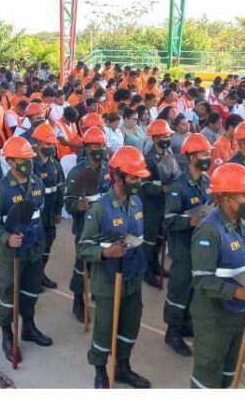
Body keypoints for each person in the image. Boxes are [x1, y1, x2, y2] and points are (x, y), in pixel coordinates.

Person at [78, 146, 152, 389]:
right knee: (105, 327)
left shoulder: (137, 202)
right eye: (133, 178)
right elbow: (83, 247)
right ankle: (100, 370)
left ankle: (123, 366)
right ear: (118, 177)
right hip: (109, 281)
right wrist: (105, 252)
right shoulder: (100, 208)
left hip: (132, 276)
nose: (138, 182)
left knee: (131, 323)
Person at [189, 163, 245, 389]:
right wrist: (239, 292)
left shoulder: (243, 223)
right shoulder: (209, 231)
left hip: (238, 312)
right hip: (214, 317)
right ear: (225, 197)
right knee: (208, 374)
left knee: (229, 373)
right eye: (244, 194)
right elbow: (201, 280)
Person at [0, 136, 53, 363]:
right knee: (8, 295)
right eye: (23, 159)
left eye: (29, 158)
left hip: (34, 248)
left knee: (31, 291)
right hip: (12, 253)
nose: (28, 163)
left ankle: (29, 327)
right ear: (11, 161)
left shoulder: (37, 183)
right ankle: (7, 333)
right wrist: (6, 237)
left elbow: (38, 214)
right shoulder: (0, 190)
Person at [162, 134, 213, 357]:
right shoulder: (178, 187)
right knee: (179, 291)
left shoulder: (207, 181)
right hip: (183, 249)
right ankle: (172, 331)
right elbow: (169, 220)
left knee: (193, 289)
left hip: (200, 248)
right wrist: (190, 221)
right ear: (192, 157)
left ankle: (185, 322)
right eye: (204, 154)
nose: (208, 158)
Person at [64, 126, 111, 321]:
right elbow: (68, 202)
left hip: (105, 224)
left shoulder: (109, 169)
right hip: (85, 226)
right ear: (87, 148)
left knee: (100, 261)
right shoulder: (77, 172)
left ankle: (96, 291)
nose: (100, 149)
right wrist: (77, 205)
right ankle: (78, 300)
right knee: (82, 264)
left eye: (102, 145)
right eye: (96, 146)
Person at [141, 119, 181, 287]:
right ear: (155, 138)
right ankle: (147, 270)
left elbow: (176, 174)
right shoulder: (148, 159)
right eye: (164, 136)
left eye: (168, 135)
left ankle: (156, 265)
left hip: (166, 205)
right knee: (149, 241)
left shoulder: (169, 155)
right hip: (151, 207)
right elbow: (143, 186)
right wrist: (162, 189)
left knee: (160, 239)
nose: (167, 139)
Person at [29, 123, 65, 290]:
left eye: (52, 144)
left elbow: (60, 189)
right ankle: (32, 278)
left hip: (50, 215)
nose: (51, 147)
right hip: (35, 217)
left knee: (47, 245)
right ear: (37, 143)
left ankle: (40, 274)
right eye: (47, 143)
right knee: (35, 248)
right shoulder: (30, 165)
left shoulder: (55, 165)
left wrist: (58, 211)